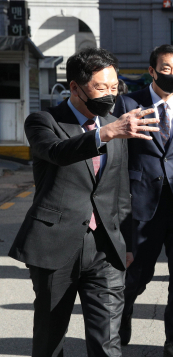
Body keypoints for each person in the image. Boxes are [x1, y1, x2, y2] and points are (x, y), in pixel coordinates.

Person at [8, 47, 158, 357]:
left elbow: (119, 191)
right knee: (50, 340)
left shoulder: (115, 125)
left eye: (114, 87)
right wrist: (105, 133)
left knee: (107, 343)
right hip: (56, 244)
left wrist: (127, 243)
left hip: (105, 247)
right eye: (101, 87)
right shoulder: (43, 120)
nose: (110, 94)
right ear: (75, 87)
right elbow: (58, 153)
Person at [112, 44, 173, 356]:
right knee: (136, 275)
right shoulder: (128, 103)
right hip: (140, 206)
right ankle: (122, 318)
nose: (172, 75)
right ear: (151, 71)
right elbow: (117, 157)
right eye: (166, 69)